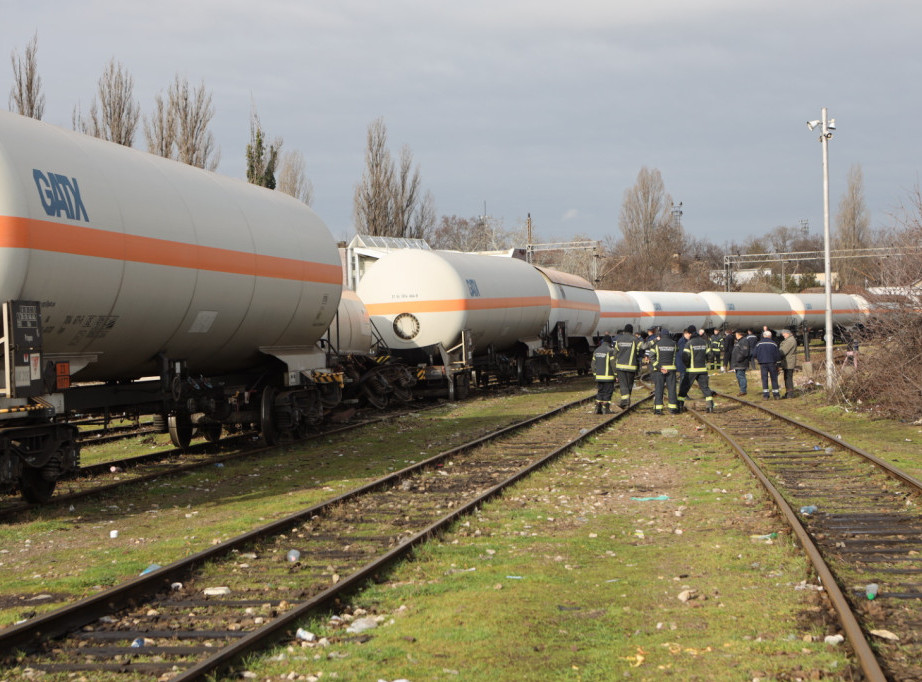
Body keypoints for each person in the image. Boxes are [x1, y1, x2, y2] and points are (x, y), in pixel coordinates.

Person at [678, 325, 715, 412]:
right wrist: (708, 361)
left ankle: (679, 405)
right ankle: (710, 407)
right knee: (705, 388)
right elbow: (710, 355)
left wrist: (687, 365)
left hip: (691, 370)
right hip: (702, 369)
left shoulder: (689, 343)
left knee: (684, 388)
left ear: (690, 333)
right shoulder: (704, 342)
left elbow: (685, 357)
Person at [647, 329, 679, 415]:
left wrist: (659, 367)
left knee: (659, 389)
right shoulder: (674, 344)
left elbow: (651, 357)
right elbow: (677, 350)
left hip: (659, 370)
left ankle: (658, 410)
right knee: (672, 389)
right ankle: (673, 409)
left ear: (660, 335)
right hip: (671, 369)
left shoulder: (656, 344)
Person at [613, 324, 639, 408]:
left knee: (623, 385)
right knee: (629, 385)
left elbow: (615, 353)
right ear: (632, 331)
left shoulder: (619, 340)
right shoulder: (635, 339)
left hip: (620, 366)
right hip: (631, 367)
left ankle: (625, 401)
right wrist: (654, 341)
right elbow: (643, 346)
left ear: (624, 330)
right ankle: (626, 402)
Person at [753, 330, 781, 399]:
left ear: (763, 336)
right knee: (774, 378)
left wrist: (759, 359)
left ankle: (766, 395)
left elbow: (754, 354)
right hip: (772, 363)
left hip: (763, 363)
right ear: (770, 336)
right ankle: (776, 394)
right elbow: (777, 355)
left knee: (764, 378)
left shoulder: (759, 343)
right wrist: (778, 364)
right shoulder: (774, 343)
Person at [592, 334, 616, 414]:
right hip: (608, 377)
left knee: (600, 392)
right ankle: (605, 409)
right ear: (610, 342)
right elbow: (613, 364)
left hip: (599, 377)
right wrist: (616, 375)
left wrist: (595, 374)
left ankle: (597, 408)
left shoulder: (596, 350)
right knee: (608, 392)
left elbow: (593, 364)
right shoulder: (610, 351)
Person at [730, 329, 750, 396]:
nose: (735, 335)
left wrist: (738, 359)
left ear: (738, 334)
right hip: (737, 363)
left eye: (736, 334)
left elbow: (744, 352)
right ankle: (742, 389)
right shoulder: (738, 341)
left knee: (741, 376)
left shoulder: (744, 341)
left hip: (741, 363)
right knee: (739, 376)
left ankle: (743, 390)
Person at [778, 329, 797, 398]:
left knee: (788, 378)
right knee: (786, 377)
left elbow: (783, 351)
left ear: (788, 333)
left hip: (789, 362)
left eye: (784, 334)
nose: (783, 335)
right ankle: (788, 393)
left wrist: (777, 355)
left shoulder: (790, 341)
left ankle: (790, 394)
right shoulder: (789, 340)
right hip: (787, 362)